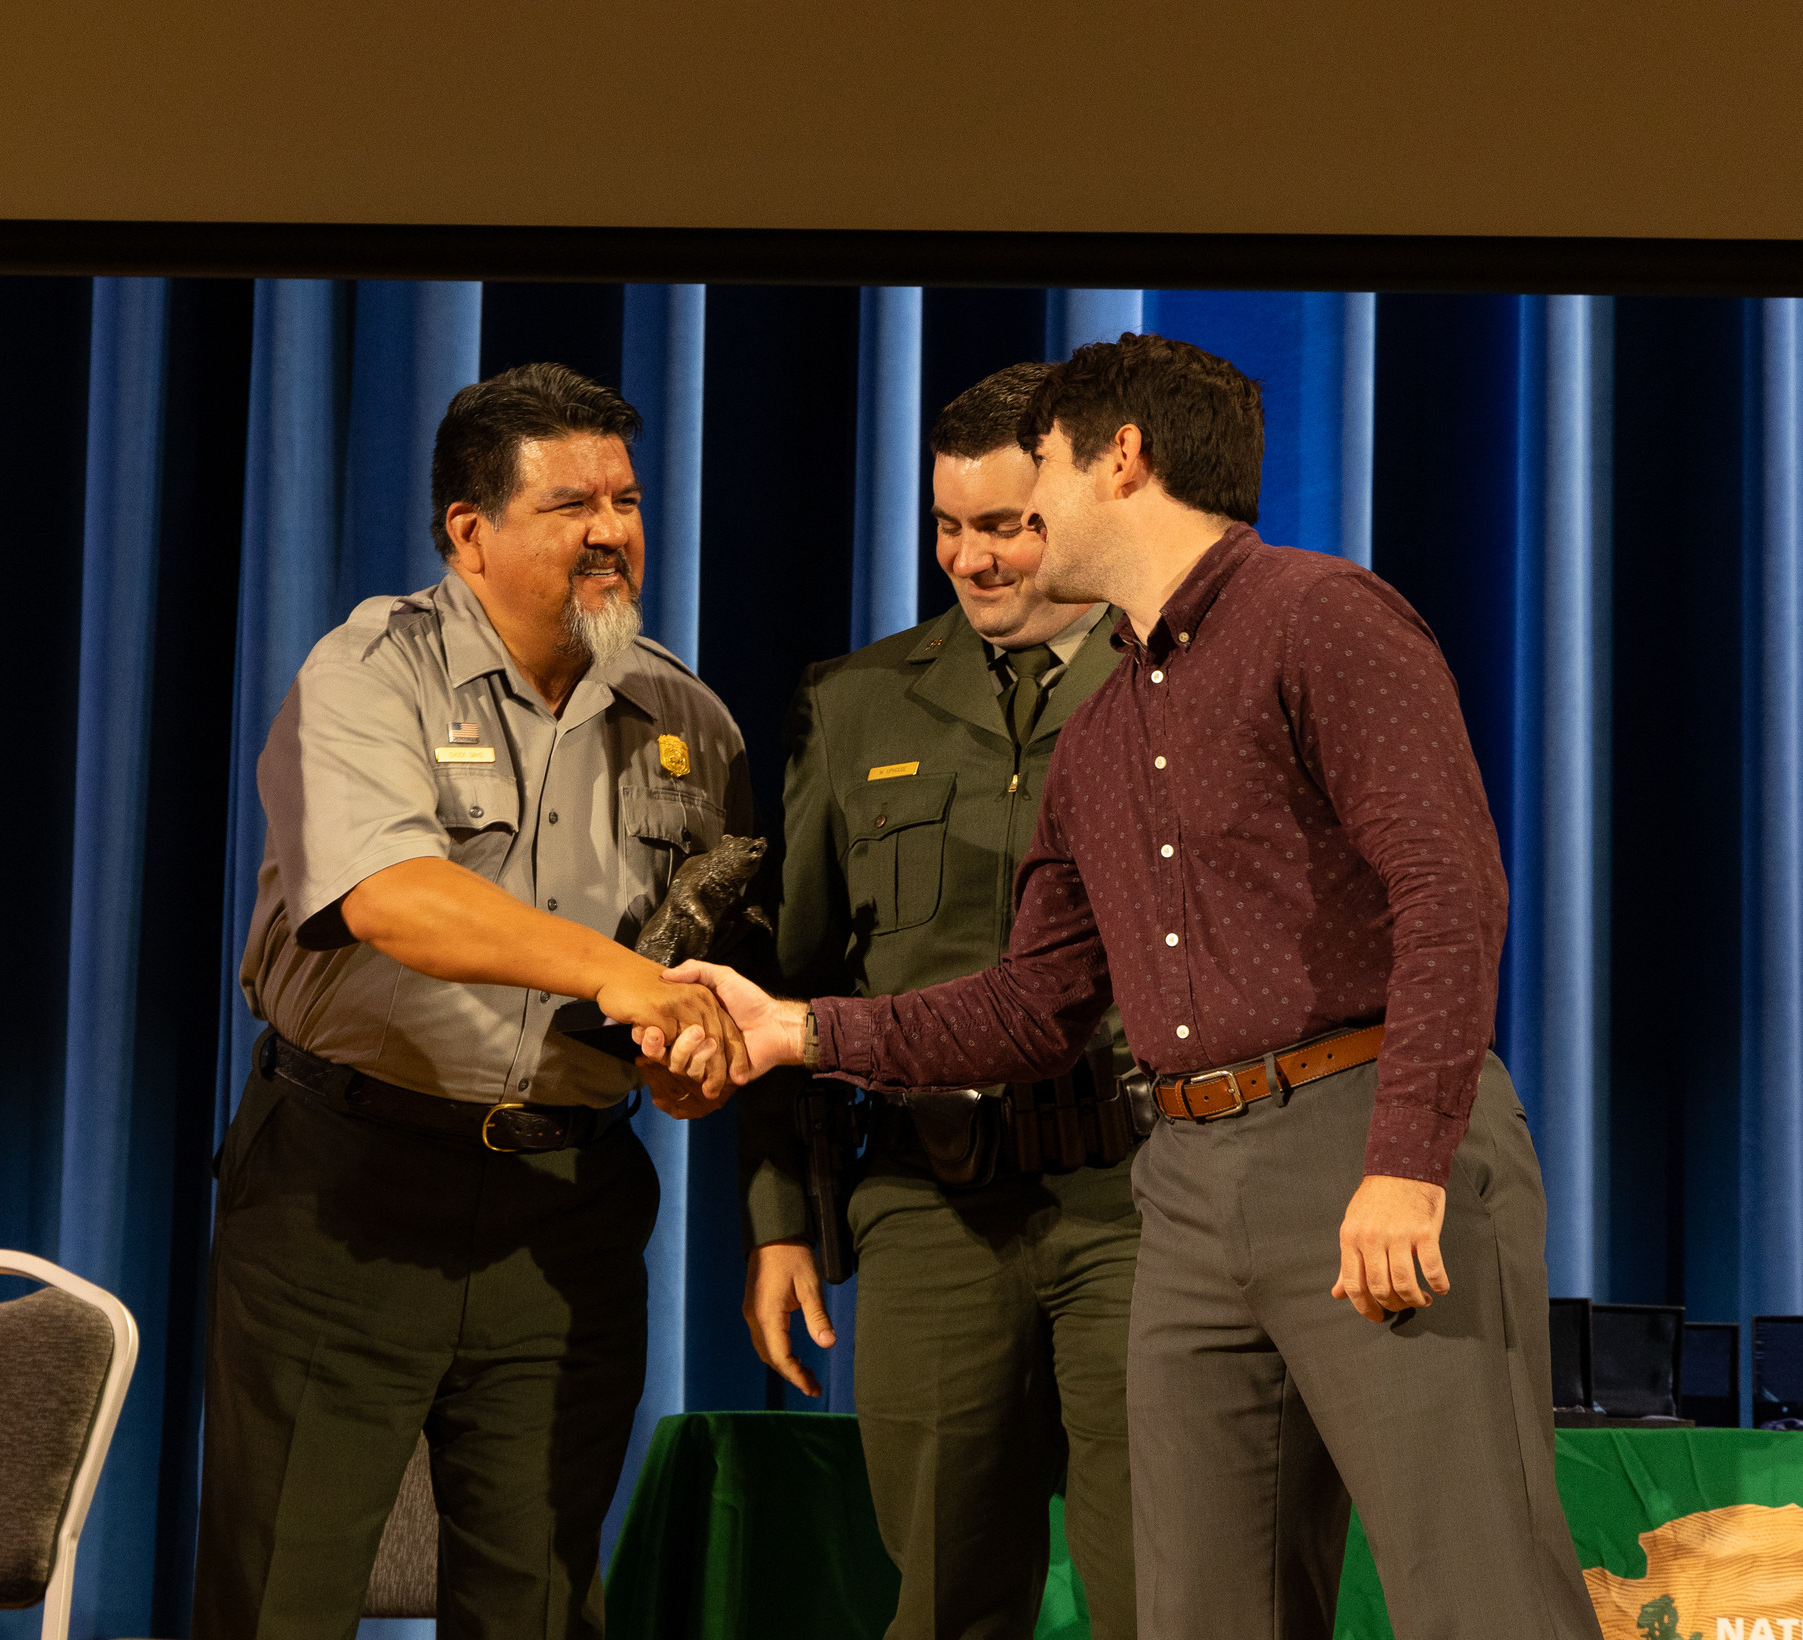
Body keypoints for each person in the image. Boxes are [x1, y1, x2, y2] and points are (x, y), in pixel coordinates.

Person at [653, 334, 1599, 1639]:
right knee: (1198, 1610)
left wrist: (1406, 1160)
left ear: (1122, 459)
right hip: (1187, 1189)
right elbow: (1030, 1007)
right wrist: (798, 1028)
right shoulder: (1103, 732)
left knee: (1474, 1589)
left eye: (1038, 463)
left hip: (1361, 1133)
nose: (1020, 508)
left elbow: (1451, 891)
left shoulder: (1321, 617)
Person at [196, 362, 752, 1639]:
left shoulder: (685, 717)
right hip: (346, 1186)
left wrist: (682, 1042)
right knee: (280, 1592)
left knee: (540, 1599)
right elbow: (393, 896)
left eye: (624, 498)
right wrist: (614, 971)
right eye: (568, 504)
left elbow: (706, 950)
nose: (610, 529)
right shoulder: (366, 673)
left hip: (565, 1208)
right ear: (470, 533)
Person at [741, 362, 1139, 1640]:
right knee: (943, 1598)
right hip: (926, 1200)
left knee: (1166, 1587)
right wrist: (780, 1219)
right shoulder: (854, 702)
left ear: (1075, 507)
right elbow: (790, 981)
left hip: (1142, 1197)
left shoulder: (1171, 680)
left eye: (1008, 524)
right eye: (947, 525)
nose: (970, 558)